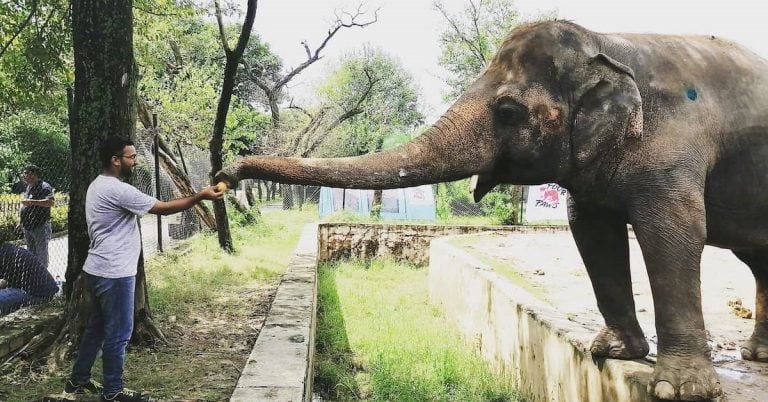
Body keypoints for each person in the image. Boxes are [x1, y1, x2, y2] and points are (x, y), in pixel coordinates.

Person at [64, 137, 224, 402]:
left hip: (97, 269)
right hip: (114, 273)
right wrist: (200, 196)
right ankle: (113, 391)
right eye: (131, 157)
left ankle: (76, 382)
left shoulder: (97, 184)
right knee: (119, 333)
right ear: (116, 160)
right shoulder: (117, 190)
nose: (135, 161)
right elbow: (162, 208)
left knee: (97, 328)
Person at [0, 242, 58, 316]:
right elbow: (8, 280)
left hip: (37, 295)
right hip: (45, 290)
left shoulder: (4, 254)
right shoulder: (7, 249)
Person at [19, 164, 54, 268]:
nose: (24, 176)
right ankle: (35, 275)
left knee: (41, 254)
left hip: (40, 225)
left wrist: (31, 202)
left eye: (26, 173)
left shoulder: (44, 186)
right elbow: (26, 206)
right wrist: (21, 221)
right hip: (28, 226)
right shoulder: (30, 187)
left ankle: (44, 276)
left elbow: (50, 202)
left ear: (33, 174)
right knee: (31, 253)